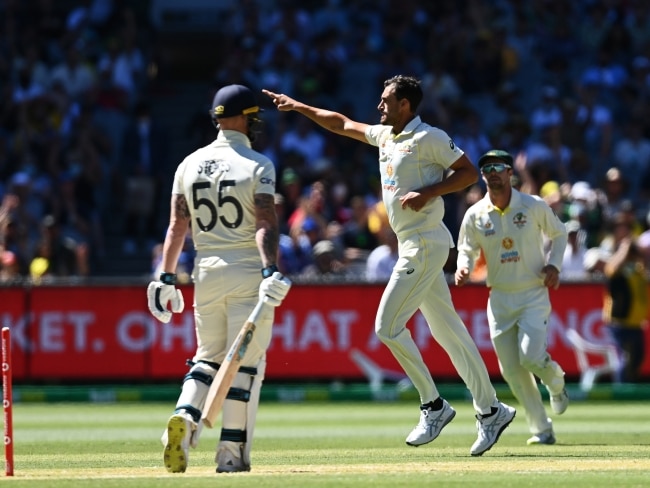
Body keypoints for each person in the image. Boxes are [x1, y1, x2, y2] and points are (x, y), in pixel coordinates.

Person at [263, 75, 515, 457]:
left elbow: (466, 172)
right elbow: (341, 123)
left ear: (406, 106)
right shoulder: (385, 135)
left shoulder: (428, 137)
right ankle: (491, 411)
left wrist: (427, 192)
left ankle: (433, 406)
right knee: (451, 335)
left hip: (425, 244)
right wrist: (298, 105)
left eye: (386, 101)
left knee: (387, 326)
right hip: (412, 245)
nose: (379, 106)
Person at [146, 84, 292, 474]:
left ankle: (185, 416)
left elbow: (177, 226)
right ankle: (230, 454)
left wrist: (165, 276)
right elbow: (264, 222)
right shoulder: (258, 164)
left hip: (205, 272)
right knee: (245, 364)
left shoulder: (188, 164)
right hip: (246, 270)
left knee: (207, 358)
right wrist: (269, 268)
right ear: (245, 117)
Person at [455, 149, 570, 447]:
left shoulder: (532, 205)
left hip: (532, 293)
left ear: (510, 173)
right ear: (482, 176)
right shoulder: (475, 215)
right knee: (512, 371)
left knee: (531, 357)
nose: (492, 172)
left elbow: (559, 233)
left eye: (498, 167)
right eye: (486, 169)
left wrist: (554, 265)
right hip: (499, 298)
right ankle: (542, 429)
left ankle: (556, 381)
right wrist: (463, 266)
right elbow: (465, 248)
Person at [601, 213, 648, 383]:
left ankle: (630, 391)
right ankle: (620, 393)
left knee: (637, 359)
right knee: (623, 360)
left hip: (636, 323)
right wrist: (624, 248)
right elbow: (611, 269)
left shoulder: (637, 269)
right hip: (619, 323)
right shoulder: (617, 264)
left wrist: (638, 251)